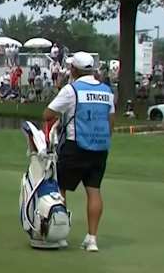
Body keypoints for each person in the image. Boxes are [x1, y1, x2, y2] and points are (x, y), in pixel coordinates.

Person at [43, 52, 115, 252]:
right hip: (100, 147)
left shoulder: (71, 89)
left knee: (60, 189)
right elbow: (110, 121)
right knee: (94, 190)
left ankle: (60, 235)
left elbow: (48, 114)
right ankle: (92, 239)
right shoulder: (107, 91)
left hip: (76, 146)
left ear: (74, 70)